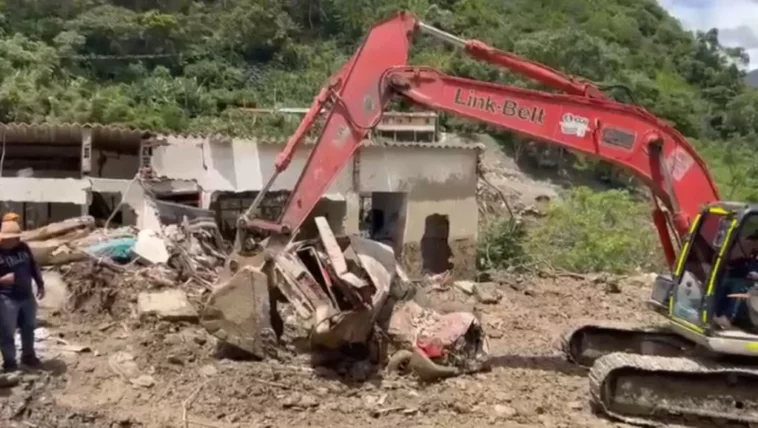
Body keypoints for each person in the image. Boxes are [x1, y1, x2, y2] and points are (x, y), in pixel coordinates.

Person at [0, 219, 44, 372]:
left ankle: (28, 356)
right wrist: (2, 280)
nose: (17, 240)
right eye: (13, 237)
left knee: (28, 327)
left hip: (26, 295)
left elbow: (33, 265)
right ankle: (10, 363)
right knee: (7, 332)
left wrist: (40, 284)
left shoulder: (23, 247)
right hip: (6, 299)